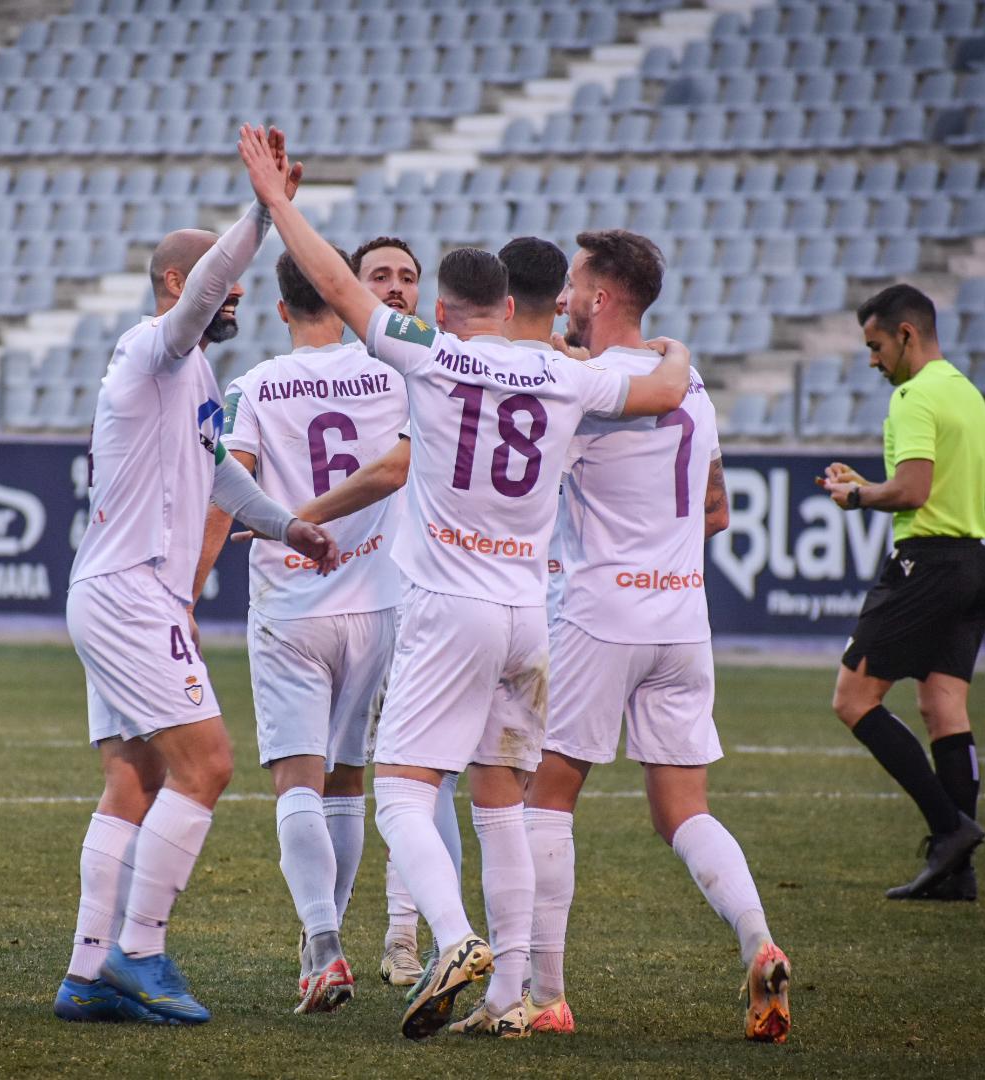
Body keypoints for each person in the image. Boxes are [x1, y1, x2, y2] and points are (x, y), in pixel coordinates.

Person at [239, 125, 693, 1041]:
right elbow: (664, 394)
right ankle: (510, 997)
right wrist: (677, 353)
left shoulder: (431, 357)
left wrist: (279, 203)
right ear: (516, 302)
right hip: (532, 614)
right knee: (500, 805)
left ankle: (452, 939)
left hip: (449, 607)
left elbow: (333, 283)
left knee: (404, 789)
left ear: (444, 310)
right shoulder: (569, 375)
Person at [52, 127, 339, 1027]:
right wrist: (263, 208)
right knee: (208, 765)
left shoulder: (197, 372)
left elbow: (218, 474)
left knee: (135, 777)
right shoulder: (154, 347)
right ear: (180, 284)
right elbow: (213, 280)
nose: (239, 297)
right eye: (222, 286)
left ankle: (86, 971)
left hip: (118, 591)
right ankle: (142, 951)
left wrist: (287, 522)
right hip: (132, 590)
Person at [526, 230, 791, 1043]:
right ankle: (759, 940)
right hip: (682, 613)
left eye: (573, 286)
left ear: (601, 298)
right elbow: (715, 509)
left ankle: (545, 995)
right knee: (683, 809)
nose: (565, 299)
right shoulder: (695, 384)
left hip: (601, 614)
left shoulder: (590, 383)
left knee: (547, 796)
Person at [192, 246, 408, 1014]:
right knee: (348, 779)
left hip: (291, 605)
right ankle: (332, 937)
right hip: (377, 600)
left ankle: (322, 945)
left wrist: (190, 590)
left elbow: (227, 492)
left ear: (282, 310)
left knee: (296, 781)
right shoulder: (391, 374)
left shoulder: (253, 385)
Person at [818, 283, 985, 901]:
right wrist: (871, 484)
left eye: (875, 346)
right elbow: (931, 487)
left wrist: (857, 496)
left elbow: (915, 492)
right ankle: (959, 875)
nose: (872, 360)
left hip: (928, 565)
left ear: (905, 335)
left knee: (851, 698)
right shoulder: (966, 392)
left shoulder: (913, 397)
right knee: (943, 707)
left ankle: (949, 831)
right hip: (974, 562)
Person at [347, 234, 464, 991]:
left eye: (407, 277)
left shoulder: (438, 365)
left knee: (420, 780)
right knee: (345, 776)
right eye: (379, 276)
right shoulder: (334, 366)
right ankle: (330, 940)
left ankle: (403, 939)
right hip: (345, 602)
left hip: (420, 599)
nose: (395, 287)